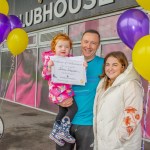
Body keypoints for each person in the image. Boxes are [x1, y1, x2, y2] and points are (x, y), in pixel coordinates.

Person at [56, 29, 104, 150]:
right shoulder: (68, 62)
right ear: (81, 43)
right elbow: (54, 86)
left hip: (88, 124)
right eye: (86, 41)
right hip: (65, 122)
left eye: (93, 43)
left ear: (98, 45)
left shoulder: (104, 65)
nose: (88, 46)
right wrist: (58, 100)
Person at [93, 51, 144, 150]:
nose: (110, 68)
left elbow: (133, 115)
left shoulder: (130, 85)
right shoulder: (103, 84)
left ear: (123, 66)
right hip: (104, 142)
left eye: (115, 65)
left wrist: (119, 138)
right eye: (107, 65)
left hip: (121, 145)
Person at [42, 33, 80, 146]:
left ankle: (55, 132)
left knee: (62, 111)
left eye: (67, 47)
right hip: (59, 91)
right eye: (60, 46)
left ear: (70, 49)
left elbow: (77, 69)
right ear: (54, 48)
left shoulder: (70, 59)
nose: (64, 49)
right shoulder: (51, 59)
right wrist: (49, 67)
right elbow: (45, 75)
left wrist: (82, 65)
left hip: (66, 90)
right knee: (73, 109)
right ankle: (63, 131)